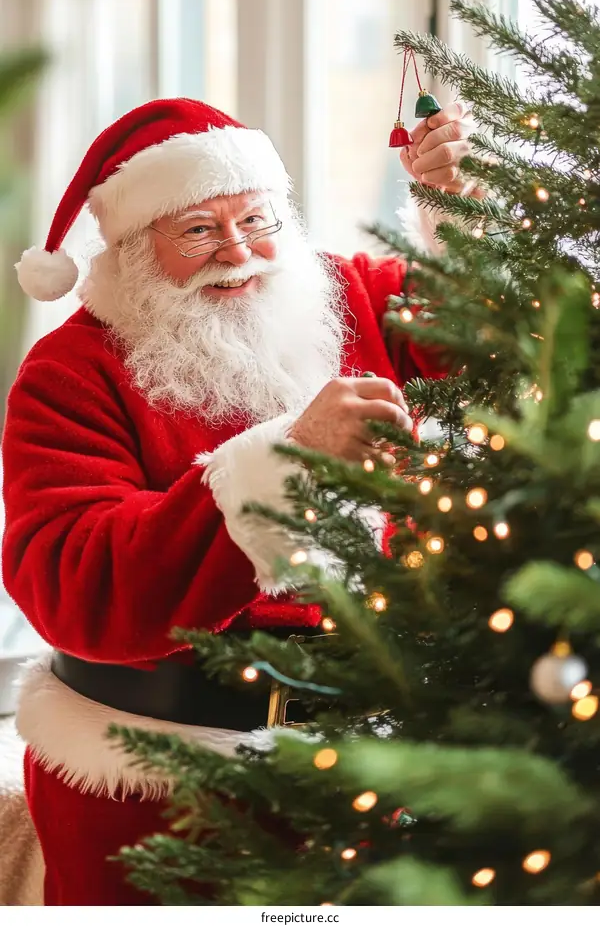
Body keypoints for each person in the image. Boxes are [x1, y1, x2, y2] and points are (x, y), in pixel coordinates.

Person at [1, 97, 473, 906]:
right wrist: (284, 463)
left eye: (256, 217)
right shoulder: (68, 371)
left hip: (372, 769)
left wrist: (458, 210)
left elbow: (502, 346)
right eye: (196, 230)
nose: (239, 252)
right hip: (156, 788)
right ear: (129, 249)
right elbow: (78, 582)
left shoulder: (343, 293)